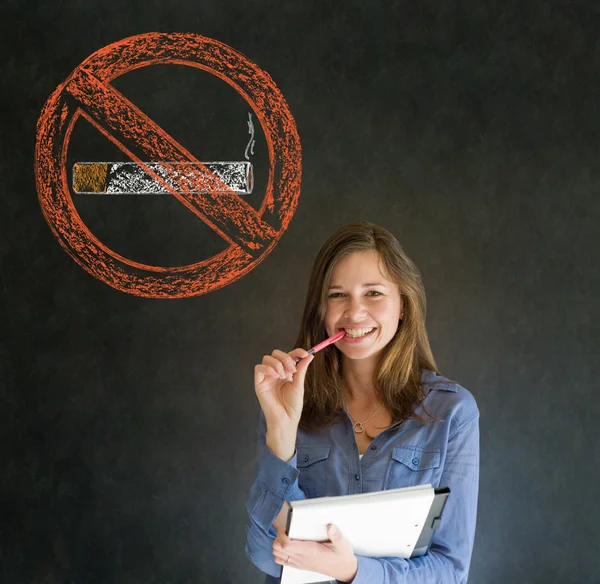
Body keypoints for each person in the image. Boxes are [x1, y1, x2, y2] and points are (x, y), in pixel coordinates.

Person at [245, 221, 479, 583]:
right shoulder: (288, 404)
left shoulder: (453, 413)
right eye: (338, 295)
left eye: (373, 293)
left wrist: (350, 570)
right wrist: (281, 428)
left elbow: (450, 571)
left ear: (403, 304)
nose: (354, 313)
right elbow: (264, 553)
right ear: (321, 311)